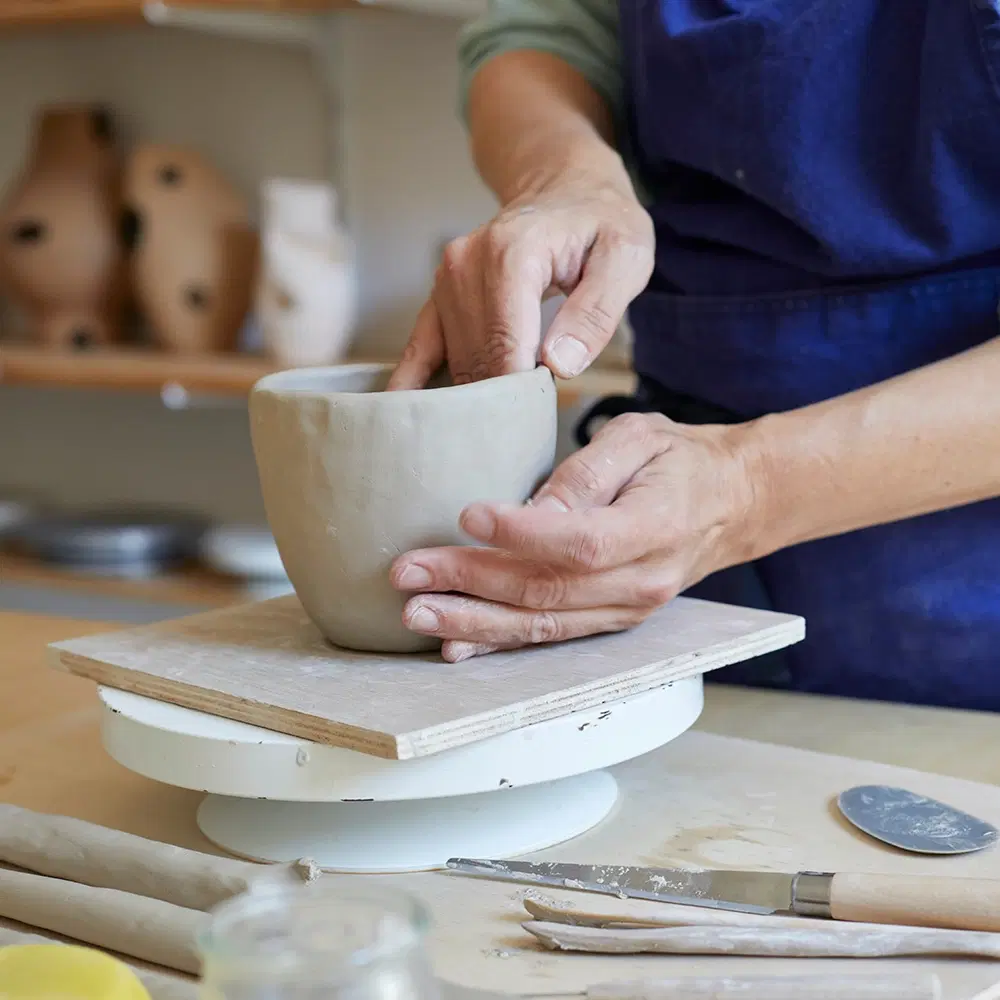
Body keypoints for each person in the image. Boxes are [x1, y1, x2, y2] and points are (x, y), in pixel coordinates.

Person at [386, 0, 1000, 710]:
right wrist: (563, 172)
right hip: (669, 563)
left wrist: (749, 486)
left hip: (967, 605)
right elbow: (543, 31)